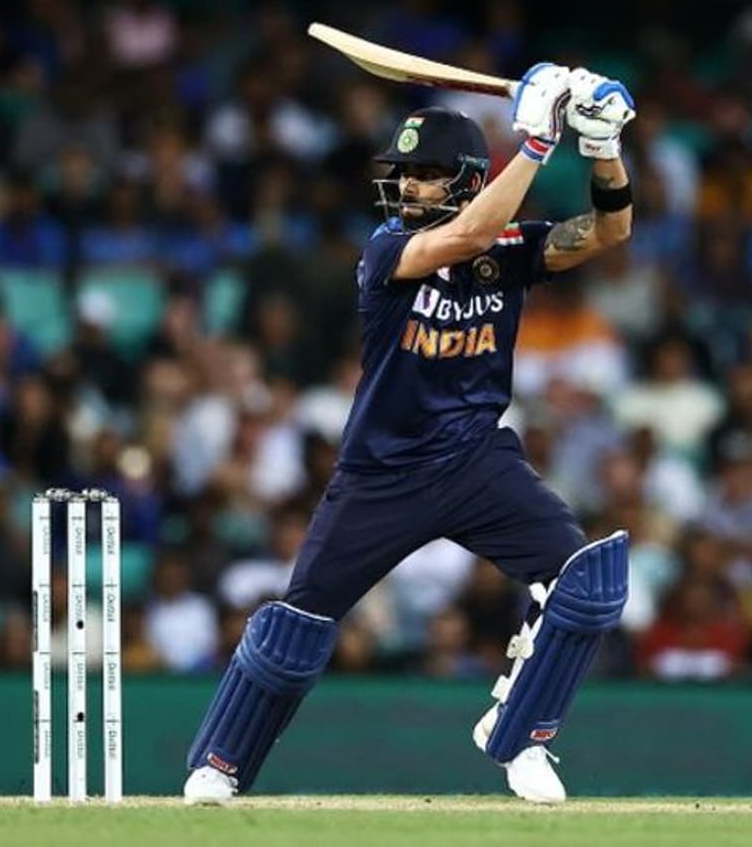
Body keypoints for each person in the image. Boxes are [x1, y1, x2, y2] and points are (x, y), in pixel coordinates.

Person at [183, 63, 636, 805]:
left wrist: (602, 145)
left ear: (466, 180)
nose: (409, 187)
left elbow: (611, 229)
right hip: (381, 472)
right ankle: (220, 764)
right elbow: (470, 232)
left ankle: (521, 738)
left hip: (476, 460)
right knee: (299, 624)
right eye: (405, 173)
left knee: (587, 581)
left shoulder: (507, 248)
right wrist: (535, 142)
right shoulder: (387, 250)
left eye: (427, 175)